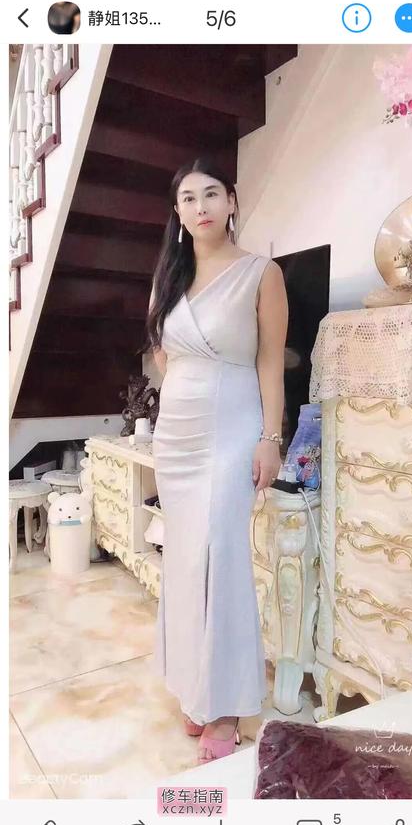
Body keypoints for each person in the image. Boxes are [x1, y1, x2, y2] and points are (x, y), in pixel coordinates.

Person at [146, 156, 288, 763]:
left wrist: (270, 437)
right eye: (187, 197)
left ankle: (226, 704)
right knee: (183, 560)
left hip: (233, 426)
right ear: (177, 213)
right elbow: (162, 356)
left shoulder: (262, 273)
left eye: (210, 193)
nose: (199, 206)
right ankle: (194, 687)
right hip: (176, 433)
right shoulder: (168, 278)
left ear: (231, 200)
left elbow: (270, 362)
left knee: (222, 558)